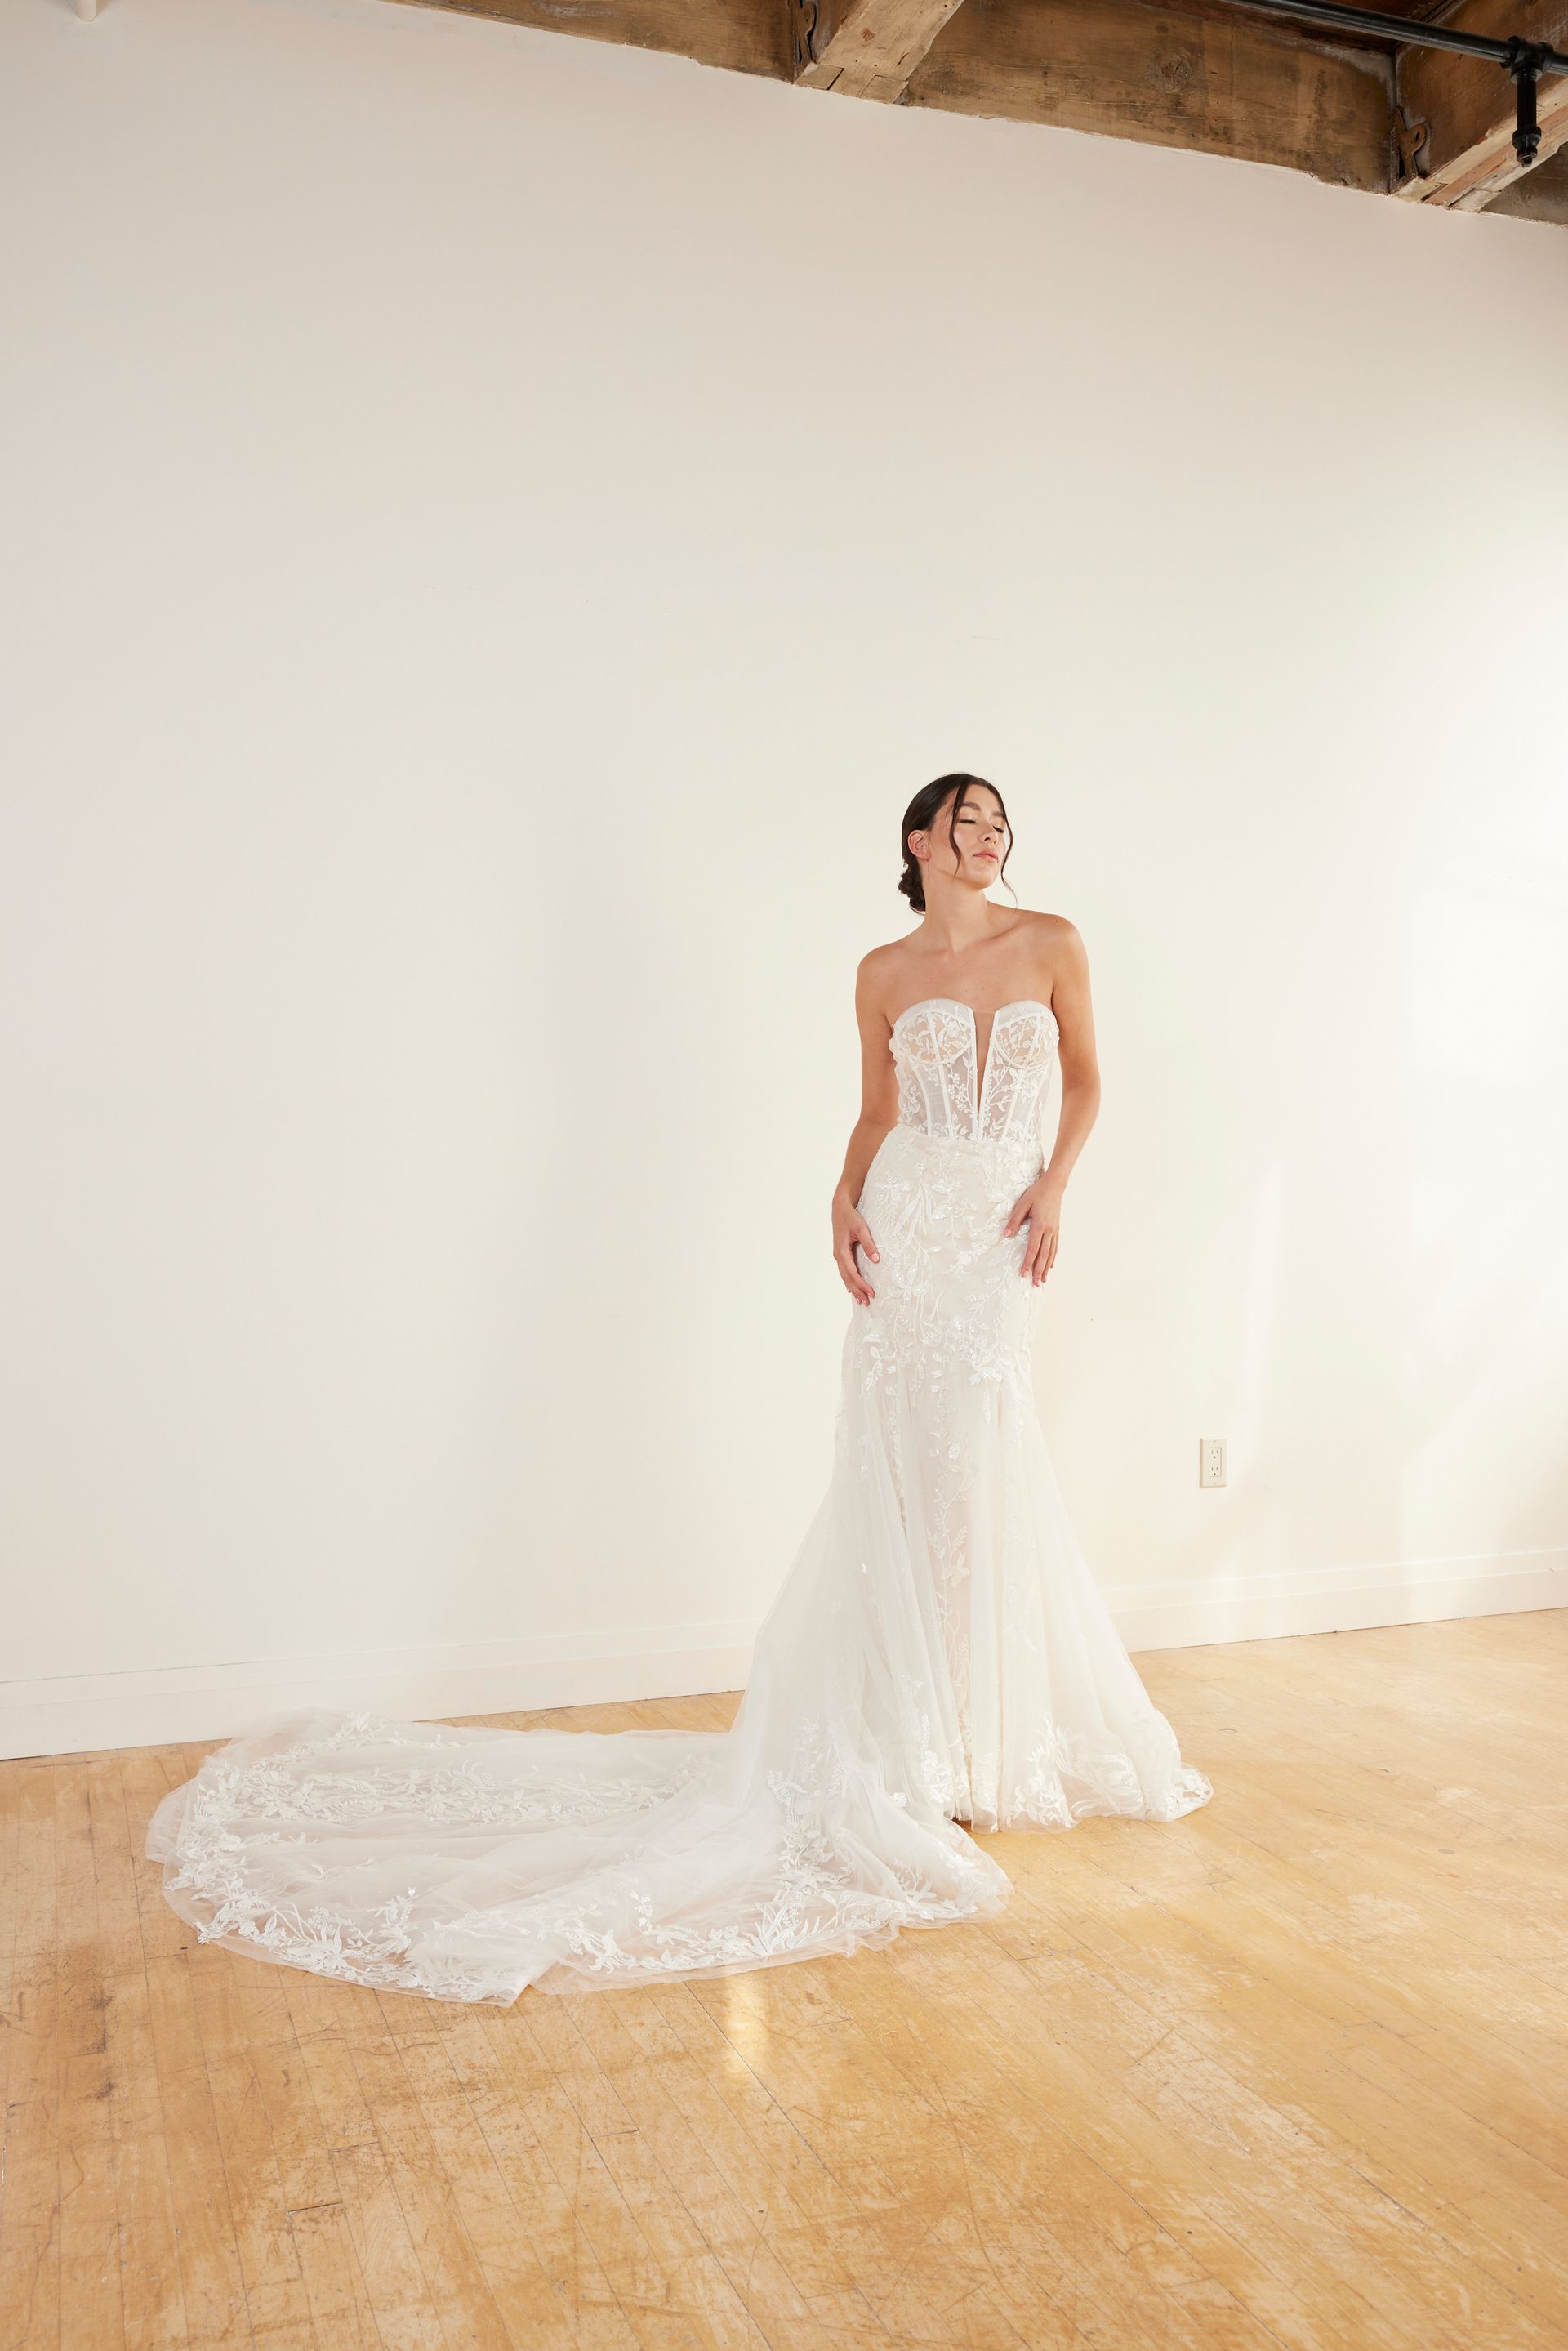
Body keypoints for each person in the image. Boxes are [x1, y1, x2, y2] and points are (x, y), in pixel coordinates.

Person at [145, 773, 1211, 2003]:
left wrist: (1056, 1182)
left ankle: (983, 1736)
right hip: (907, 1224)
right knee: (905, 1481)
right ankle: (915, 1745)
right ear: (920, 841)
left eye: (998, 821)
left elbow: (1087, 1080)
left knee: (981, 1468)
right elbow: (878, 1111)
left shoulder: (1053, 942)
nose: (989, 835)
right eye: (964, 819)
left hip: (998, 1231)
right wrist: (840, 1197)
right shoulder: (881, 971)